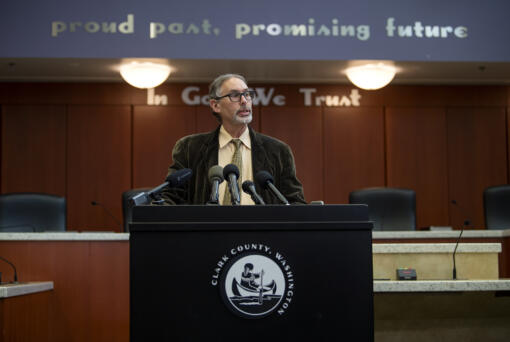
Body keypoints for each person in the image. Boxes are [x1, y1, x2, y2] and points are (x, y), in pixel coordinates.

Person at [160, 73, 306, 205]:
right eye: (235, 95)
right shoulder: (190, 148)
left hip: (261, 232)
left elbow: (294, 201)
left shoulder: (278, 151)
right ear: (215, 105)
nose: (244, 101)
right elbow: (171, 197)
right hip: (208, 232)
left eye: (247, 94)